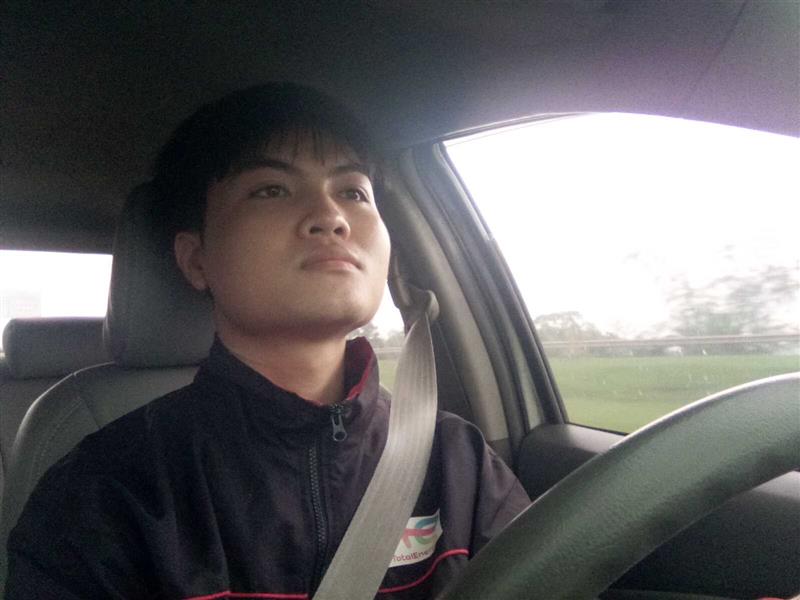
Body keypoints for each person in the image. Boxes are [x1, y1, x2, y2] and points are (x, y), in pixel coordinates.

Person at [5, 83, 530, 599]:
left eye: (353, 192)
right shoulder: (110, 491)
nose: (331, 217)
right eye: (271, 190)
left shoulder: (455, 460)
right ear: (197, 260)